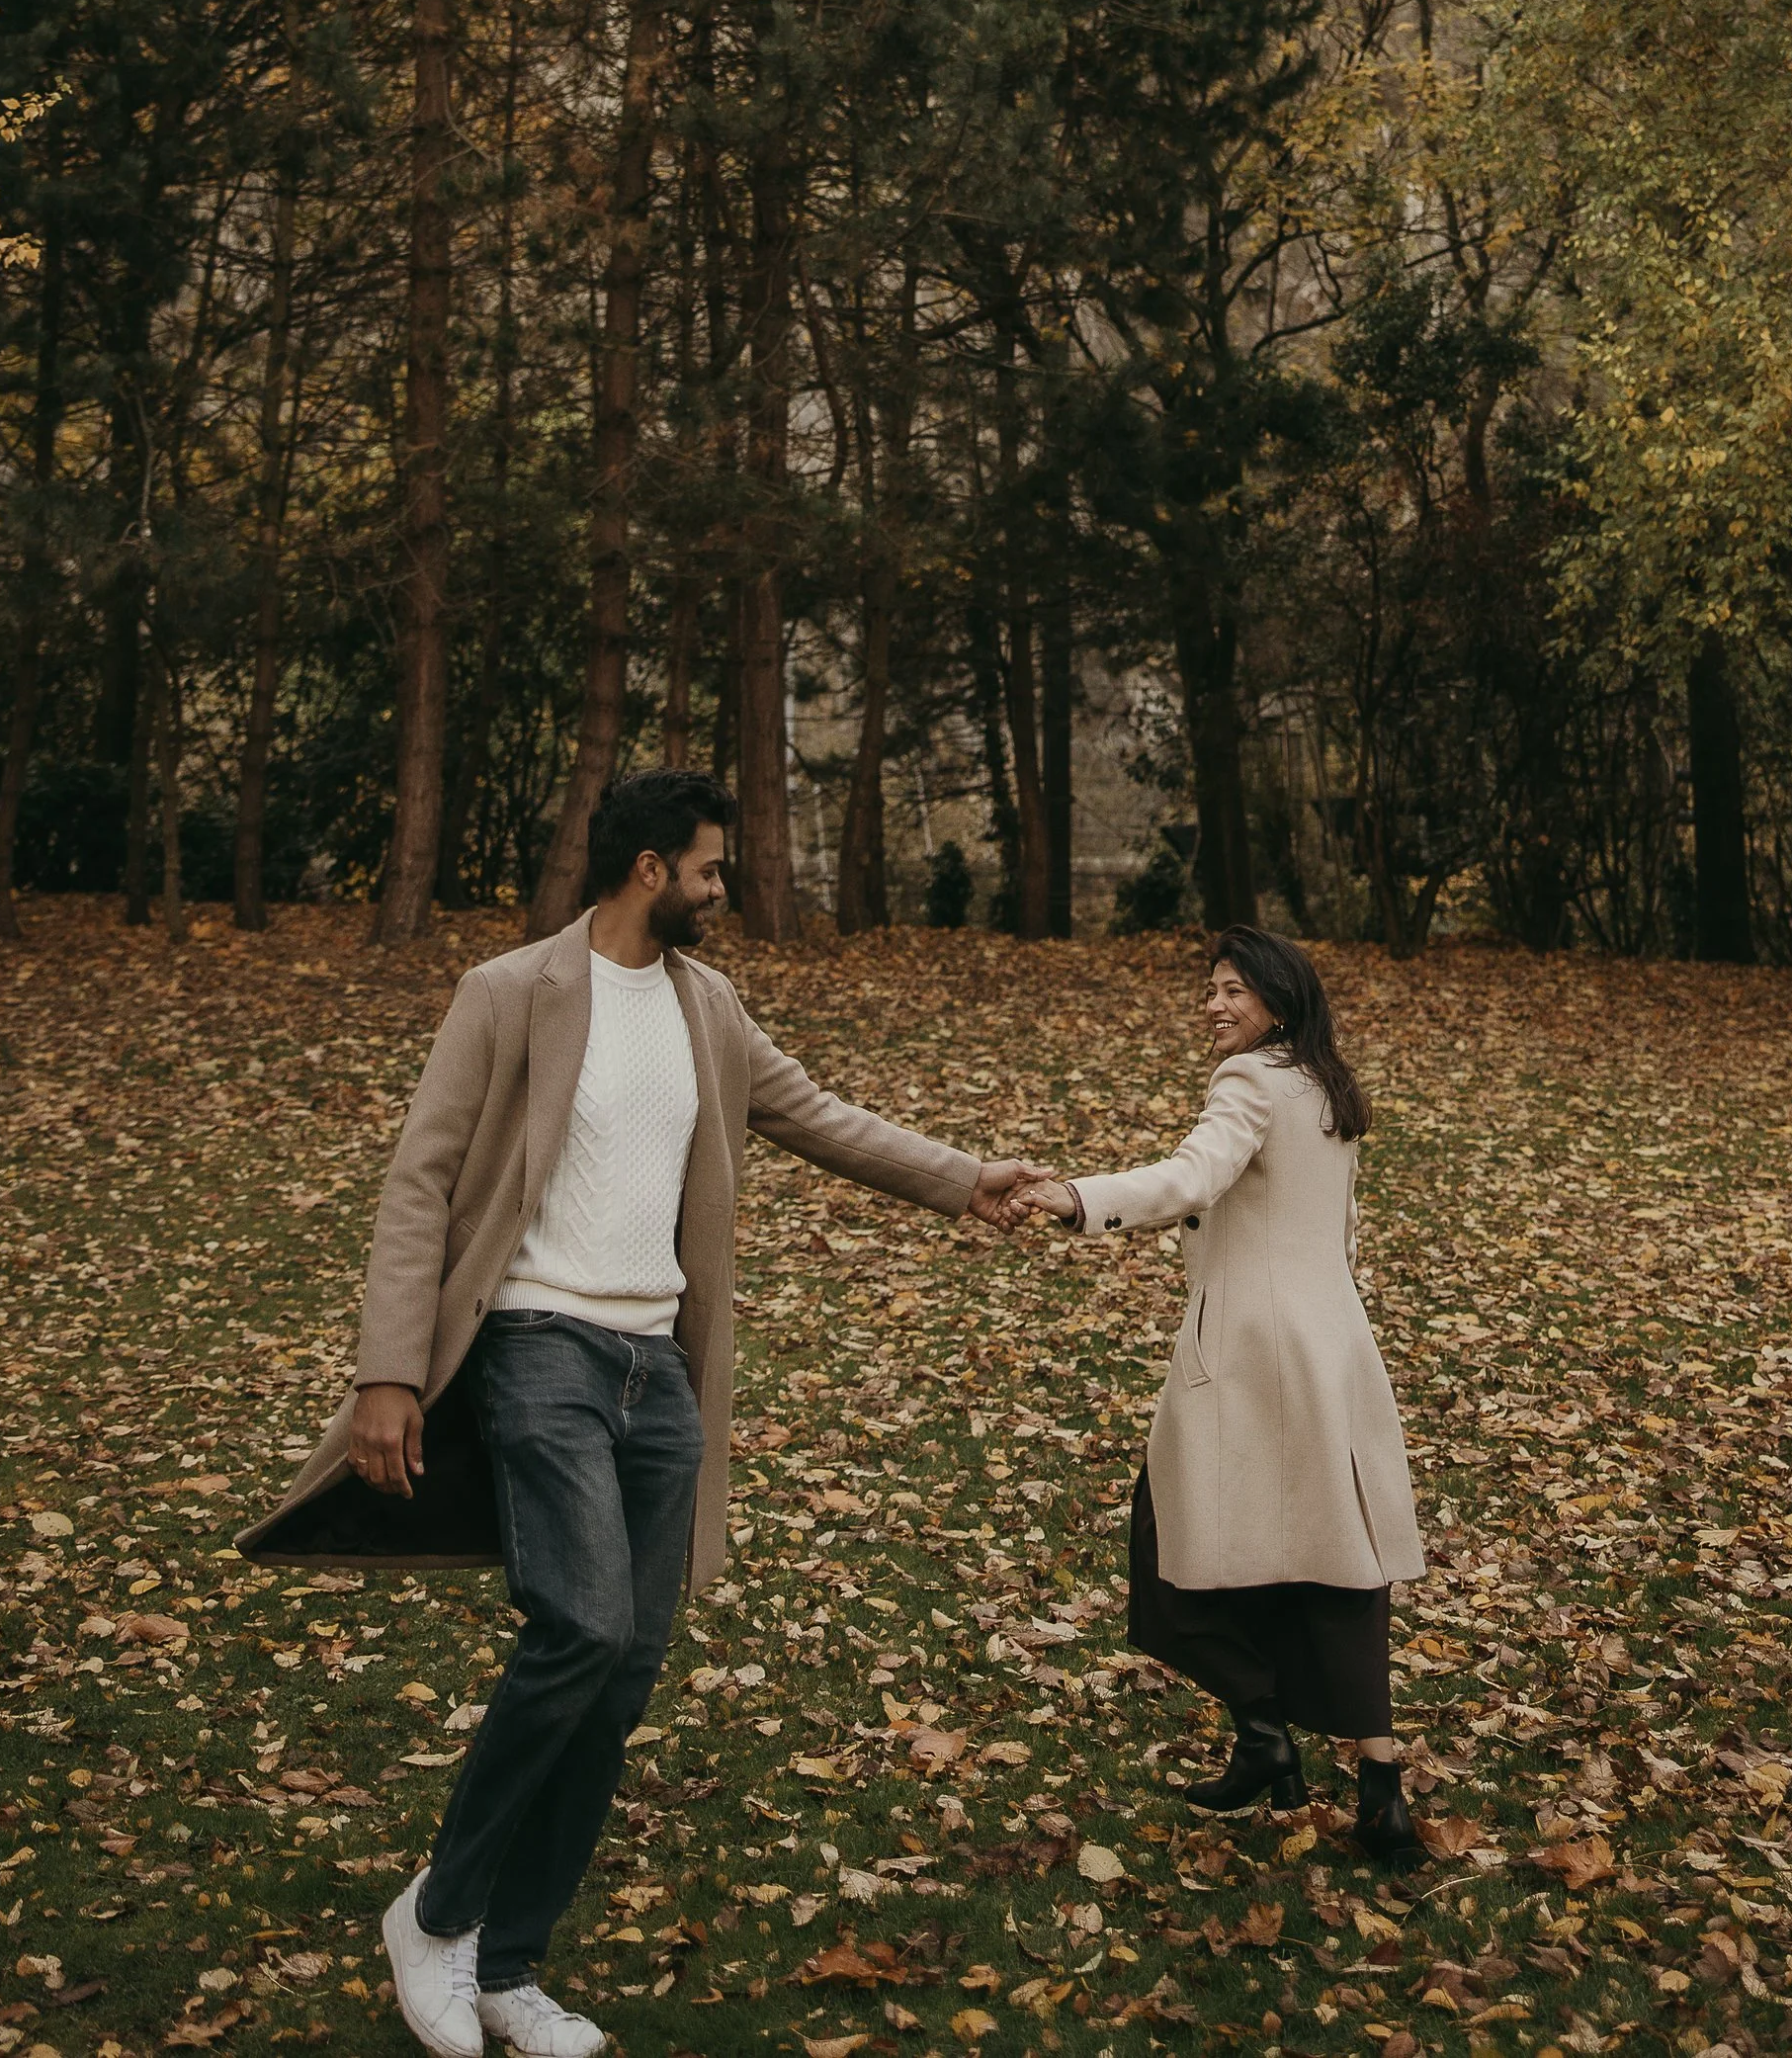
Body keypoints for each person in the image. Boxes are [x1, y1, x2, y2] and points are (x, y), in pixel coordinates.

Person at [240, 768, 1050, 2058]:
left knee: (621, 1674)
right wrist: (386, 1371)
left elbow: (820, 1116)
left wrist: (966, 1180)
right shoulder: (509, 993)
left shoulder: (709, 1007)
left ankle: (507, 1964)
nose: (726, 888)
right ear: (647, 870)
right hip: (536, 1345)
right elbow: (421, 1181)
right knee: (580, 1623)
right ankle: (437, 1915)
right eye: (713, 868)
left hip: (656, 1373)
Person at [1015, 926, 1427, 1864]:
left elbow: (1191, 1176)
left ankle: (1265, 1729)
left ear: (1278, 999)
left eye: (1234, 990)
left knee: (1171, 1538)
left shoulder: (1248, 1082)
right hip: (1331, 1347)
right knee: (1337, 1562)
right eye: (1211, 989)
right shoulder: (1325, 1084)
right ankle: (1374, 1789)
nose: (1215, 1005)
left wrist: (1078, 1197)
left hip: (1249, 1354)